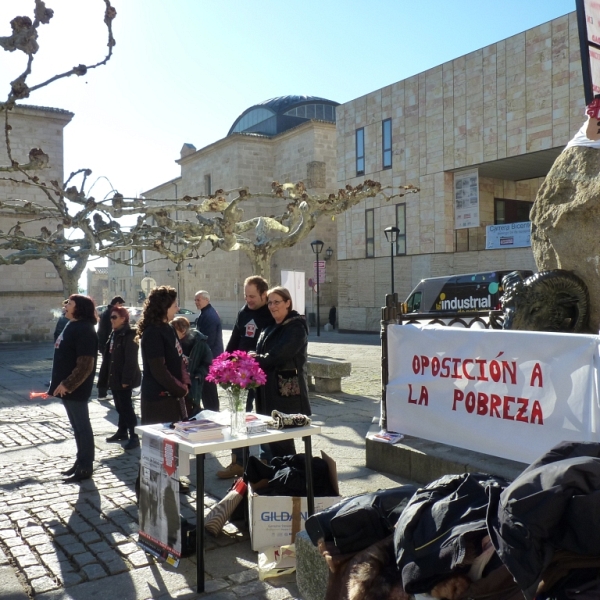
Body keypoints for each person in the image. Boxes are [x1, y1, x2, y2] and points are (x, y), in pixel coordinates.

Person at [217, 275, 274, 479]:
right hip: (241, 374)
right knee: (239, 415)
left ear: (264, 294)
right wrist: (225, 362)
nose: (248, 300)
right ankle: (238, 461)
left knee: (265, 416)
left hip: (262, 373)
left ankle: (268, 462)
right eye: (246, 295)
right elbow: (235, 337)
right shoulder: (243, 312)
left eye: (252, 296)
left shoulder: (271, 312)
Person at [251, 286, 310, 459]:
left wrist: (255, 358)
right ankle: (278, 476)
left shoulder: (296, 327)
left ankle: (291, 477)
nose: (272, 306)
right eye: (269, 302)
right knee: (272, 440)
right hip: (266, 390)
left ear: (288, 303)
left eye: (277, 302)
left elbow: (279, 355)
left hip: (285, 393)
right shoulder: (269, 327)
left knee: (283, 443)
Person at [49, 294, 98, 483]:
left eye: (70, 303)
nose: (65, 305)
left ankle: (86, 466)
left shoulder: (85, 329)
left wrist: (67, 384)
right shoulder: (72, 325)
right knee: (77, 428)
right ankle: (80, 462)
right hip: (66, 387)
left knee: (82, 427)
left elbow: (85, 365)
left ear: (79, 308)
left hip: (75, 388)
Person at [136, 286, 189, 426]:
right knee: (161, 446)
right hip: (158, 400)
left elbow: (179, 358)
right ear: (164, 307)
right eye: (175, 305)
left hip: (172, 397)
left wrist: (185, 382)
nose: (177, 309)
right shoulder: (153, 332)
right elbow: (159, 369)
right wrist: (180, 389)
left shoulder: (169, 327)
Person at [97, 305, 142, 449]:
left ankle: (134, 436)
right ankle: (122, 431)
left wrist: (126, 380)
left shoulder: (129, 335)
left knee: (126, 408)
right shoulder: (114, 333)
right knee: (119, 406)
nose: (111, 320)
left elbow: (131, 360)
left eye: (114, 317)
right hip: (114, 376)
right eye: (111, 317)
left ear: (123, 319)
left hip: (123, 378)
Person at [171, 316, 212, 415]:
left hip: (193, 383)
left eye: (175, 330)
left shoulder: (199, 342)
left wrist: (199, 374)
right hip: (178, 383)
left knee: (192, 413)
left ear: (183, 330)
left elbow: (208, 362)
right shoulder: (172, 340)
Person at [195, 290, 223, 411]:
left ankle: (212, 413)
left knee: (209, 389)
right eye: (195, 300)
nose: (196, 302)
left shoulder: (209, 315)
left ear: (207, 300)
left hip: (210, 358)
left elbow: (208, 340)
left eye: (198, 299)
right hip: (209, 356)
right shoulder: (206, 313)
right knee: (207, 389)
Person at [97, 295, 125, 400]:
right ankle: (103, 393)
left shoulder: (107, 312)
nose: (122, 307)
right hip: (108, 345)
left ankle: (104, 392)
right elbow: (110, 330)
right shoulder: (111, 314)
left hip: (105, 344)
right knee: (108, 368)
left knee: (107, 368)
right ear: (117, 304)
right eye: (121, 304)